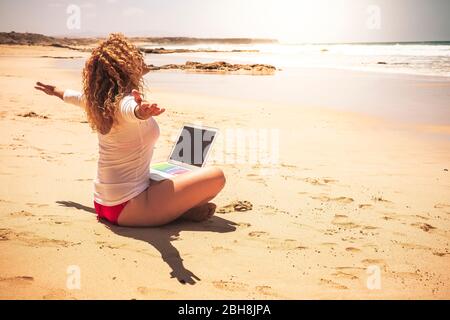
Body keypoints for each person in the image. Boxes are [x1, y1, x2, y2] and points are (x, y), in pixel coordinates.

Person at [35, 33, 225, 227]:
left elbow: (69, 95)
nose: (140, 59)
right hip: (130, 208)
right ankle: (181, 212)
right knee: (217, 176)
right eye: (134, 57)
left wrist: (54, 89)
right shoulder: (124, 104)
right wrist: (141, 112)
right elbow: (130, 111)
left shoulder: (96, 101)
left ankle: (179, 208)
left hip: (103, 204)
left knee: (172, 168)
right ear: (126, 67)